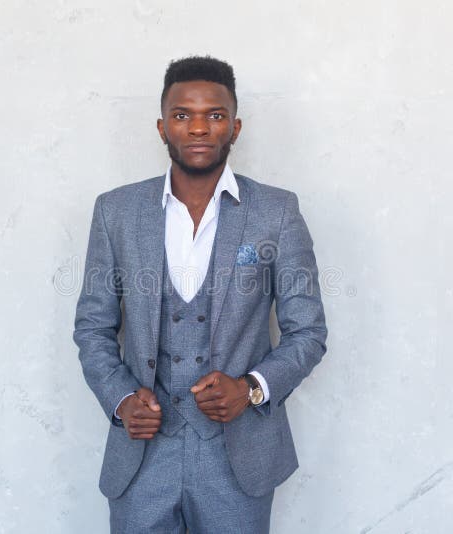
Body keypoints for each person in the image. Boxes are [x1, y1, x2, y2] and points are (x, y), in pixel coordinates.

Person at [74, 55, 327, 533]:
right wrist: (122, 398)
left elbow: (308, 332)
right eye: (182, 115)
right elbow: (92, 326)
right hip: (142, 452)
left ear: (234, 127)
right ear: (161, 126)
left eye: (214, 115)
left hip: (238, 458)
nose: (198, 128)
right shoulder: (116, 212)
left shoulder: (276, 212)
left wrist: (251, 389)